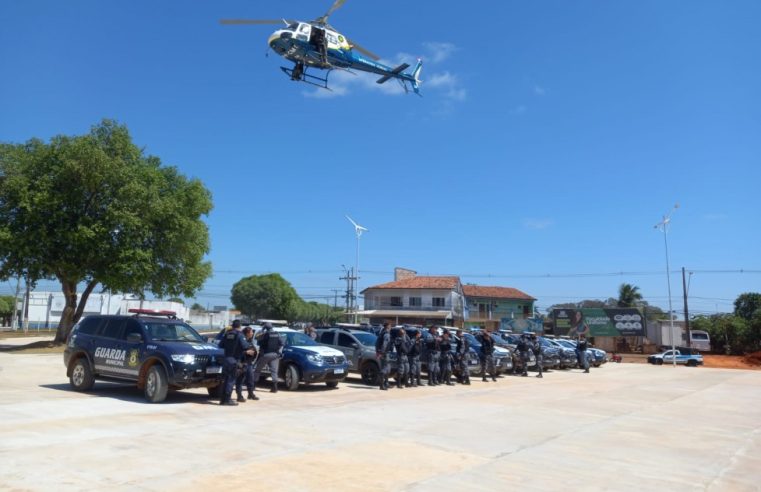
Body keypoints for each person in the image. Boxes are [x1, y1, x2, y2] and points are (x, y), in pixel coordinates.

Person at [220, 320, 255, 406]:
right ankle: (227, 400)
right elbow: (245, 346)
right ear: (239, 327)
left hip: (226, 359)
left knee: (226, 380)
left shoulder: (227, 334)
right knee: (231, 380)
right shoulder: (239, 335)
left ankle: (223, 400)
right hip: (234, 360)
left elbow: (220, 345)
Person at [251, 323, 285, 394]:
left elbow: (257, 339)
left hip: (265, 354)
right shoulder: (277, 334)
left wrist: (262, 330)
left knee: (257, 370)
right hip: (275, 354)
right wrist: (279, 352)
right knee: (274, 371)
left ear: (265, 328)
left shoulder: (265, 335)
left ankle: (253, 385)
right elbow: (282, 344)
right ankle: (275, 387)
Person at [234, 326, 259, 401]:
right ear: (247, 333)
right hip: (241, 364)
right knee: (240, 380)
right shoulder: (241, 341)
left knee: (250, 379)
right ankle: (239, 396)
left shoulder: (250, 341)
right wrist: (246, 352)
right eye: (251, 332)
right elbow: (236, 351)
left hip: (249, 363)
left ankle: (250, 394)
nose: (252, 333)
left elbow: (254, 350)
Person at [375, 323, 393, 390]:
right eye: (390, 326)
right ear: (388, 327)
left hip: (382, 353)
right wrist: (381, 352)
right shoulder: (386, 334)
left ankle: (386, 383)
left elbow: (376, 343)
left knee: (387, 368)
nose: (391, 328)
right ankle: (381, 385)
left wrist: (377, 352)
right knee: (384, 369)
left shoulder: (381, 333)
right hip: (385, 353)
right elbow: (385, 344)